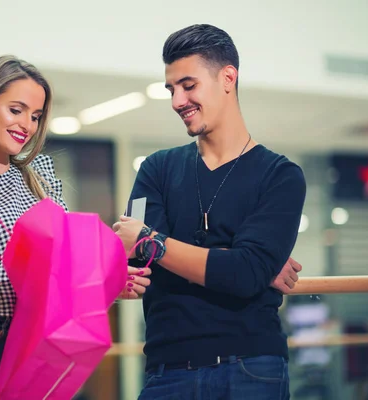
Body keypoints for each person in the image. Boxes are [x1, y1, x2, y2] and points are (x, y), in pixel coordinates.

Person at [0, 55, 151, 400]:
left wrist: (107, 280)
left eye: (36, 116)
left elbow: (62, 275)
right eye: (16, 110)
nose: (28, 124)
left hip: (38, 348)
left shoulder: (40, 182)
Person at [113, 24, 306, 399]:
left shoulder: (281, 176)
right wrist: (235, 262)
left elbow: (245, 274)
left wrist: (154, 242)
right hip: (167, 371)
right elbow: (135, 255)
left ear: (228, 78)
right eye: (171, 89)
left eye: (188, 85)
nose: (176, 100)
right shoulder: (155, 169)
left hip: (251, 368)